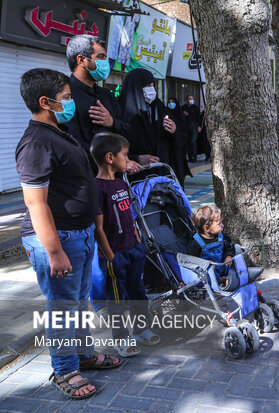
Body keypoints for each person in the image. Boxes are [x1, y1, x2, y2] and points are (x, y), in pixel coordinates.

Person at [16, 68, 121, 400]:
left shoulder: (59, 132)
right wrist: (55, 251)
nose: (72, 102)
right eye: (66, 98)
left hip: (80, 235)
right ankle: (65, 370)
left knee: (78, 302)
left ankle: (83, 355)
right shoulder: (35, 142)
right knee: (63, 307)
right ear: (45, 102)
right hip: (59, 239)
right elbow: (36, 204)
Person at [91, 132, 160, 357]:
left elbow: (129, 214)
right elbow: (98, 227)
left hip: (133, 249)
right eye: (125, 155)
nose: (127, 159)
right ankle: (121, 337)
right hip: (115, 255)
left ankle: (142, 329)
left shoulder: (121, 183)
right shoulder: (97, 188)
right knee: (117, 299)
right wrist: (110, 255)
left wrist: (137, 239)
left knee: (138, 292)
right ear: (110, 157)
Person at [65, 35, 141, 174]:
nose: (105, 63)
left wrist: (112, 122)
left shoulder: (106, 95)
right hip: (85, 179)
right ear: (81, 60)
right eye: (100, 57)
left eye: (105, 57)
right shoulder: (65, 95)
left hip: (115, 179)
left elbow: (129, 130)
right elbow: (73, 144)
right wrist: (114, 164)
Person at [117, 69, 190, 186]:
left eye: (153, 85)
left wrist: (174, 131)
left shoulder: (160, 109)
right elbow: (114, 146)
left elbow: (180, 140)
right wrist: (136, 158)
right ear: (135, 87)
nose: (151, 90)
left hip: (162, 174)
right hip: (136, 176)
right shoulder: (121, 112)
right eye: (147, 86)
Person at [188, 205, 235, 289]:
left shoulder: (221, 237)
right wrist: (204, 265)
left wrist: (228, 256)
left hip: (222, 264)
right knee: (209, 274)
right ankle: (222, 281)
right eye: (219, 224)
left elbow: (229, 247)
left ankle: (233, 276)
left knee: (233, 266)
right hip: (209, 269)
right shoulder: (196, 243)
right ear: (207, 228)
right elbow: (193, 259)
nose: (222, 225)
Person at [167, 97, 192, 186]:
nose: (171, 104)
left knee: (179, 168)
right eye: (169, 102)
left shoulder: (181, 116)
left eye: (173, 102)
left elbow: (185, 131)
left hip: (179, 148)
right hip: (168, 148)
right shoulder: (166, 115)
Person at [182, 95, 201, 162]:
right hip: (186, 126)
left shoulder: (195, 108)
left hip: (194, 125)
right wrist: (183, 114)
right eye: (189, 99)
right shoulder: (183, 107)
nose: (191, 100)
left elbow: (198, 117)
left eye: (192, 99)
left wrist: (199, 126)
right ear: (187, 100)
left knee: (193, 142)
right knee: (188, 142)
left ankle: (195, 156)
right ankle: (190, 157)